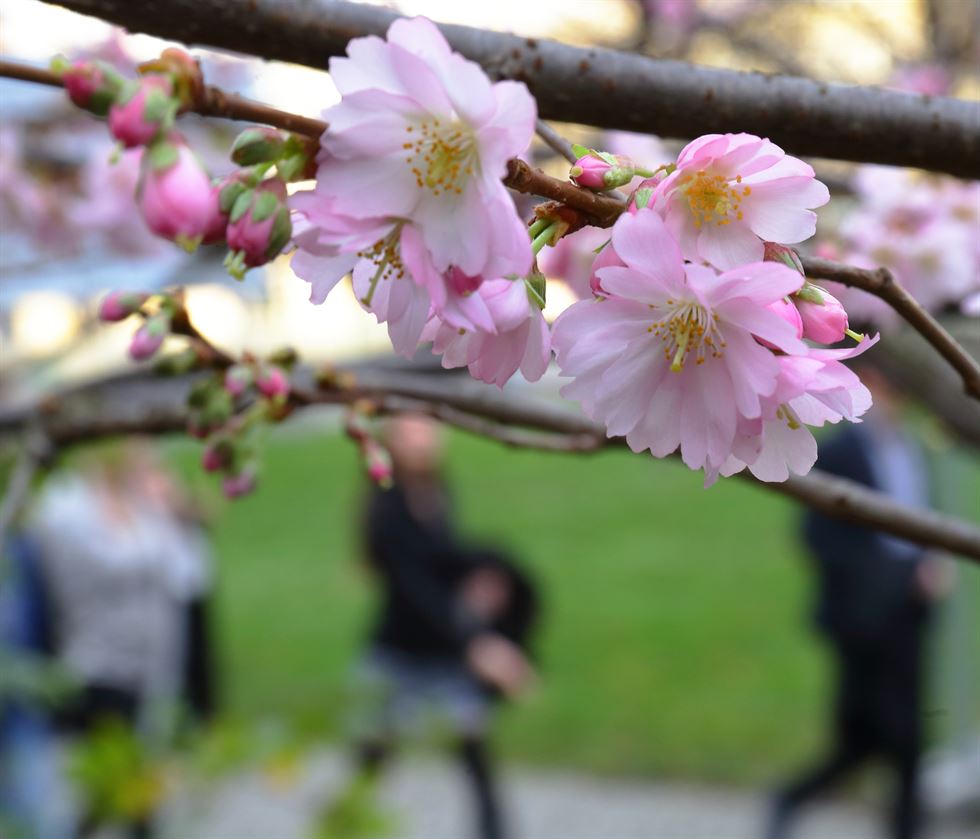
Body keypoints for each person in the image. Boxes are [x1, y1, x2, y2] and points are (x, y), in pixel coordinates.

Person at [766, 365, 946, 839]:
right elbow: (820, 537)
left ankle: (904, 829)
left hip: (908, 618)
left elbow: (916, 519)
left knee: (907, 742)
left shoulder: (912, 447)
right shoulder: (842, 453)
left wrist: (927, 562)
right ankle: (790, 797)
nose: (899, 399)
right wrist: (906, 573)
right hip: (863, 621)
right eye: (892, 386)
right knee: (863, 739)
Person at [338, 414, 538, 839]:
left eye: (426, 427)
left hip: (441, 650)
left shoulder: (435, 491)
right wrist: (476, 645)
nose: (422, 439)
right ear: (388, 440)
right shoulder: (385, 510)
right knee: (372, 760)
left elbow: (444, 556)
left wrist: (488, 573)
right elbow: (413, 590)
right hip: (402, 654)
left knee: (474, 754)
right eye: (408, 430)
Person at [27, 443, 213, 838]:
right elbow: (101, 565)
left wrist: (174, 508)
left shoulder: (142, 502)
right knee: (121, 787)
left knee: (127, 789)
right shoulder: (65, 505)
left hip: (153, 665)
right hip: (99, 665)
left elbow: (188, 575)